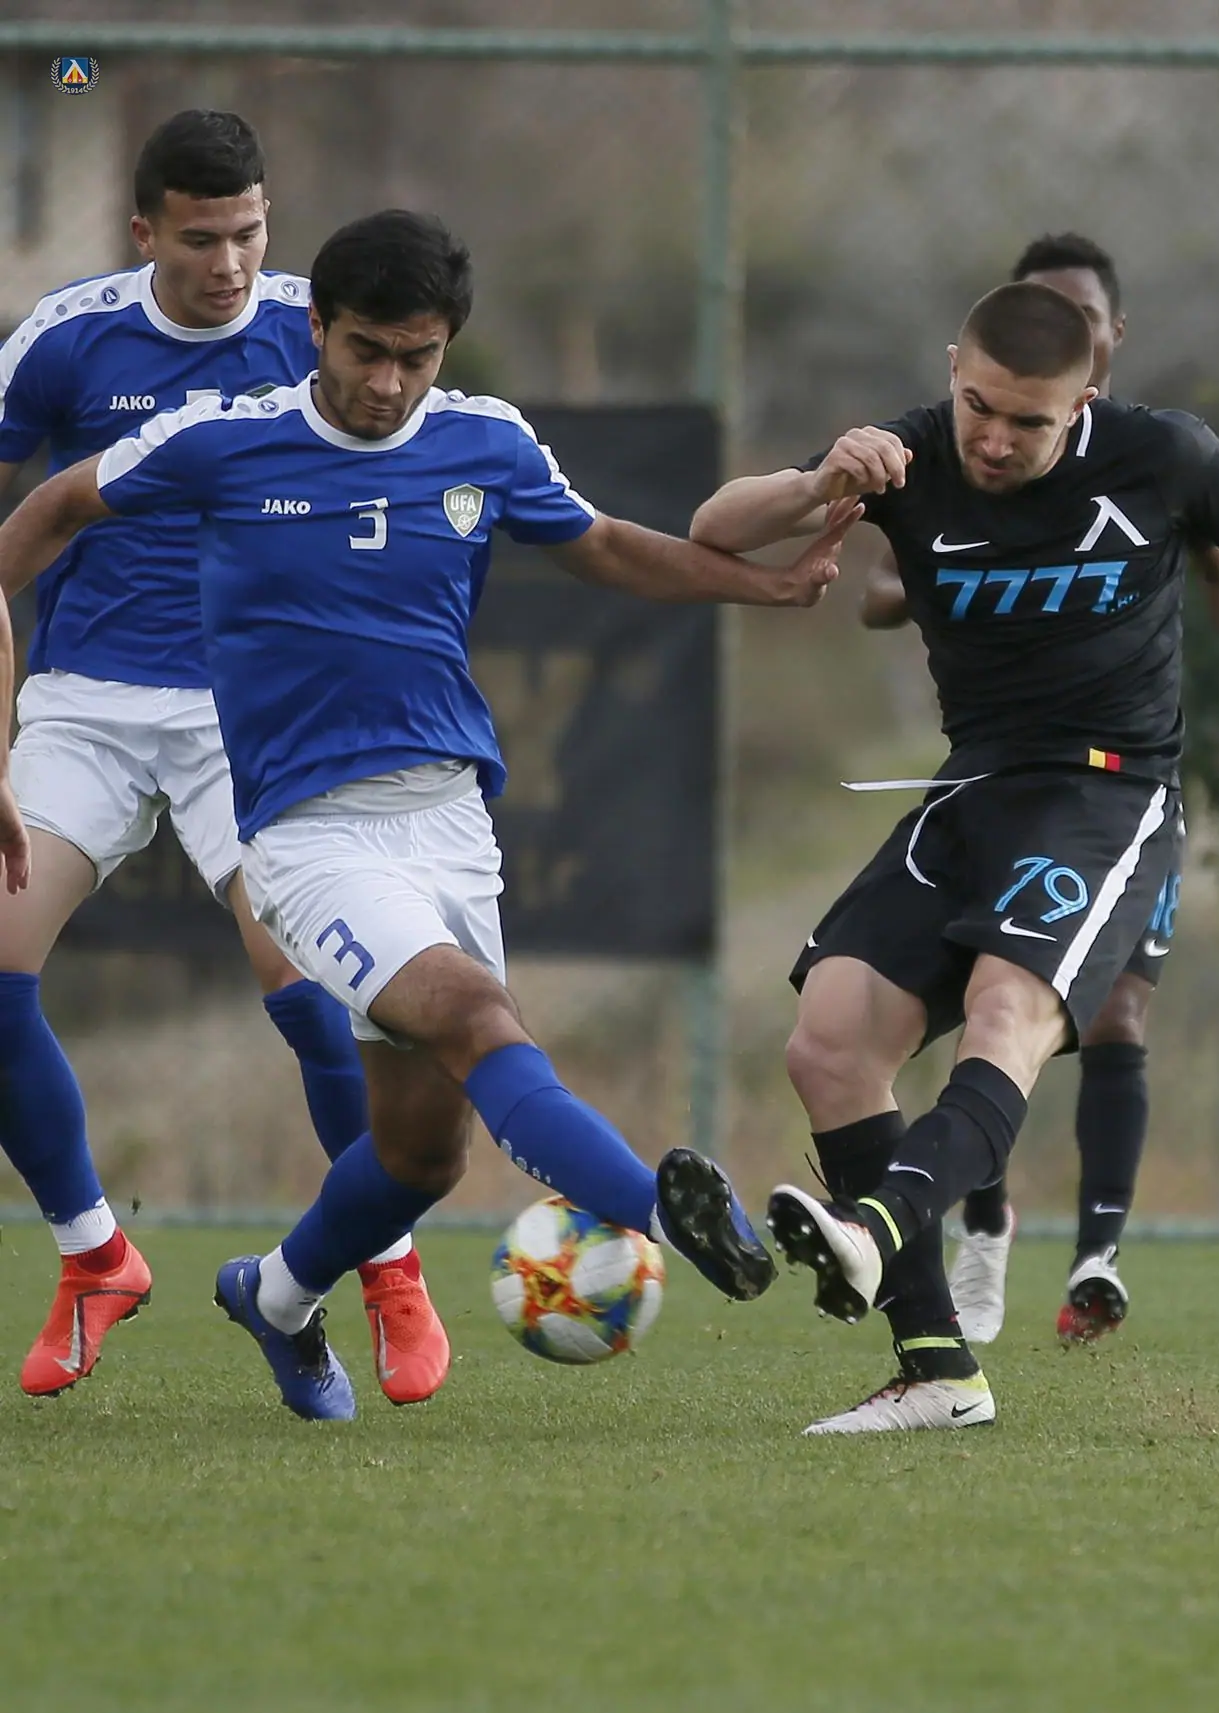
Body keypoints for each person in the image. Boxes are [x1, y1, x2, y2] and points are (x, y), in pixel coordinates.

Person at [0, 209, 854, 1420]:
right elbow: (53, 509)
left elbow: (604, 546)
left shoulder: (483, 439)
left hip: (450, 822)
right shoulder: (219, 441)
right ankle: (669, 1217)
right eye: (366, 350)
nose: (388, 383)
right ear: (316, 328)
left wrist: (760, 588)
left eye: (418, 356)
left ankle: (275, 1297)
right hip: (307, 837)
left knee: (419, 1155)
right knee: (477, 1016)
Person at [690, 280, 1219, 1434]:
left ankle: (875, 1228)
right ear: (952, 368)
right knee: (828, 1041)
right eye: (977, 405)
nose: (992, 438)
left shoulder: (1160, 456)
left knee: (1005, 1017)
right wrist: (818, 482)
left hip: (1105, 792)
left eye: (1026, 422)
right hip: (970, 788)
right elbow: (716, 529)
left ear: (1083, 404)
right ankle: (937, 1369)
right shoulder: (907, 455)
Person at [0, 111, 452, 1406]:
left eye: (250, 233)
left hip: (246, 715)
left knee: (318, 988)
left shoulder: (320, 327)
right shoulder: (64, 340)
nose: (232, 264)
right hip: (84, 705)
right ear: (144, 231)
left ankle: (382, 1268)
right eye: (201, 239)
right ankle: (96, 1257)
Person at [857, 233, 1219, 1348]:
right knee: (991, 992)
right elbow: (884, 581)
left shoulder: (1153, 457)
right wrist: (941, 572)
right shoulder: (961, 452)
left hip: (1124, 778)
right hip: (997, 773)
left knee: (1113, 1008)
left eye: (1082, 320)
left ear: (1106, 345)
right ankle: (980, 1217)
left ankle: (1096, 1252)